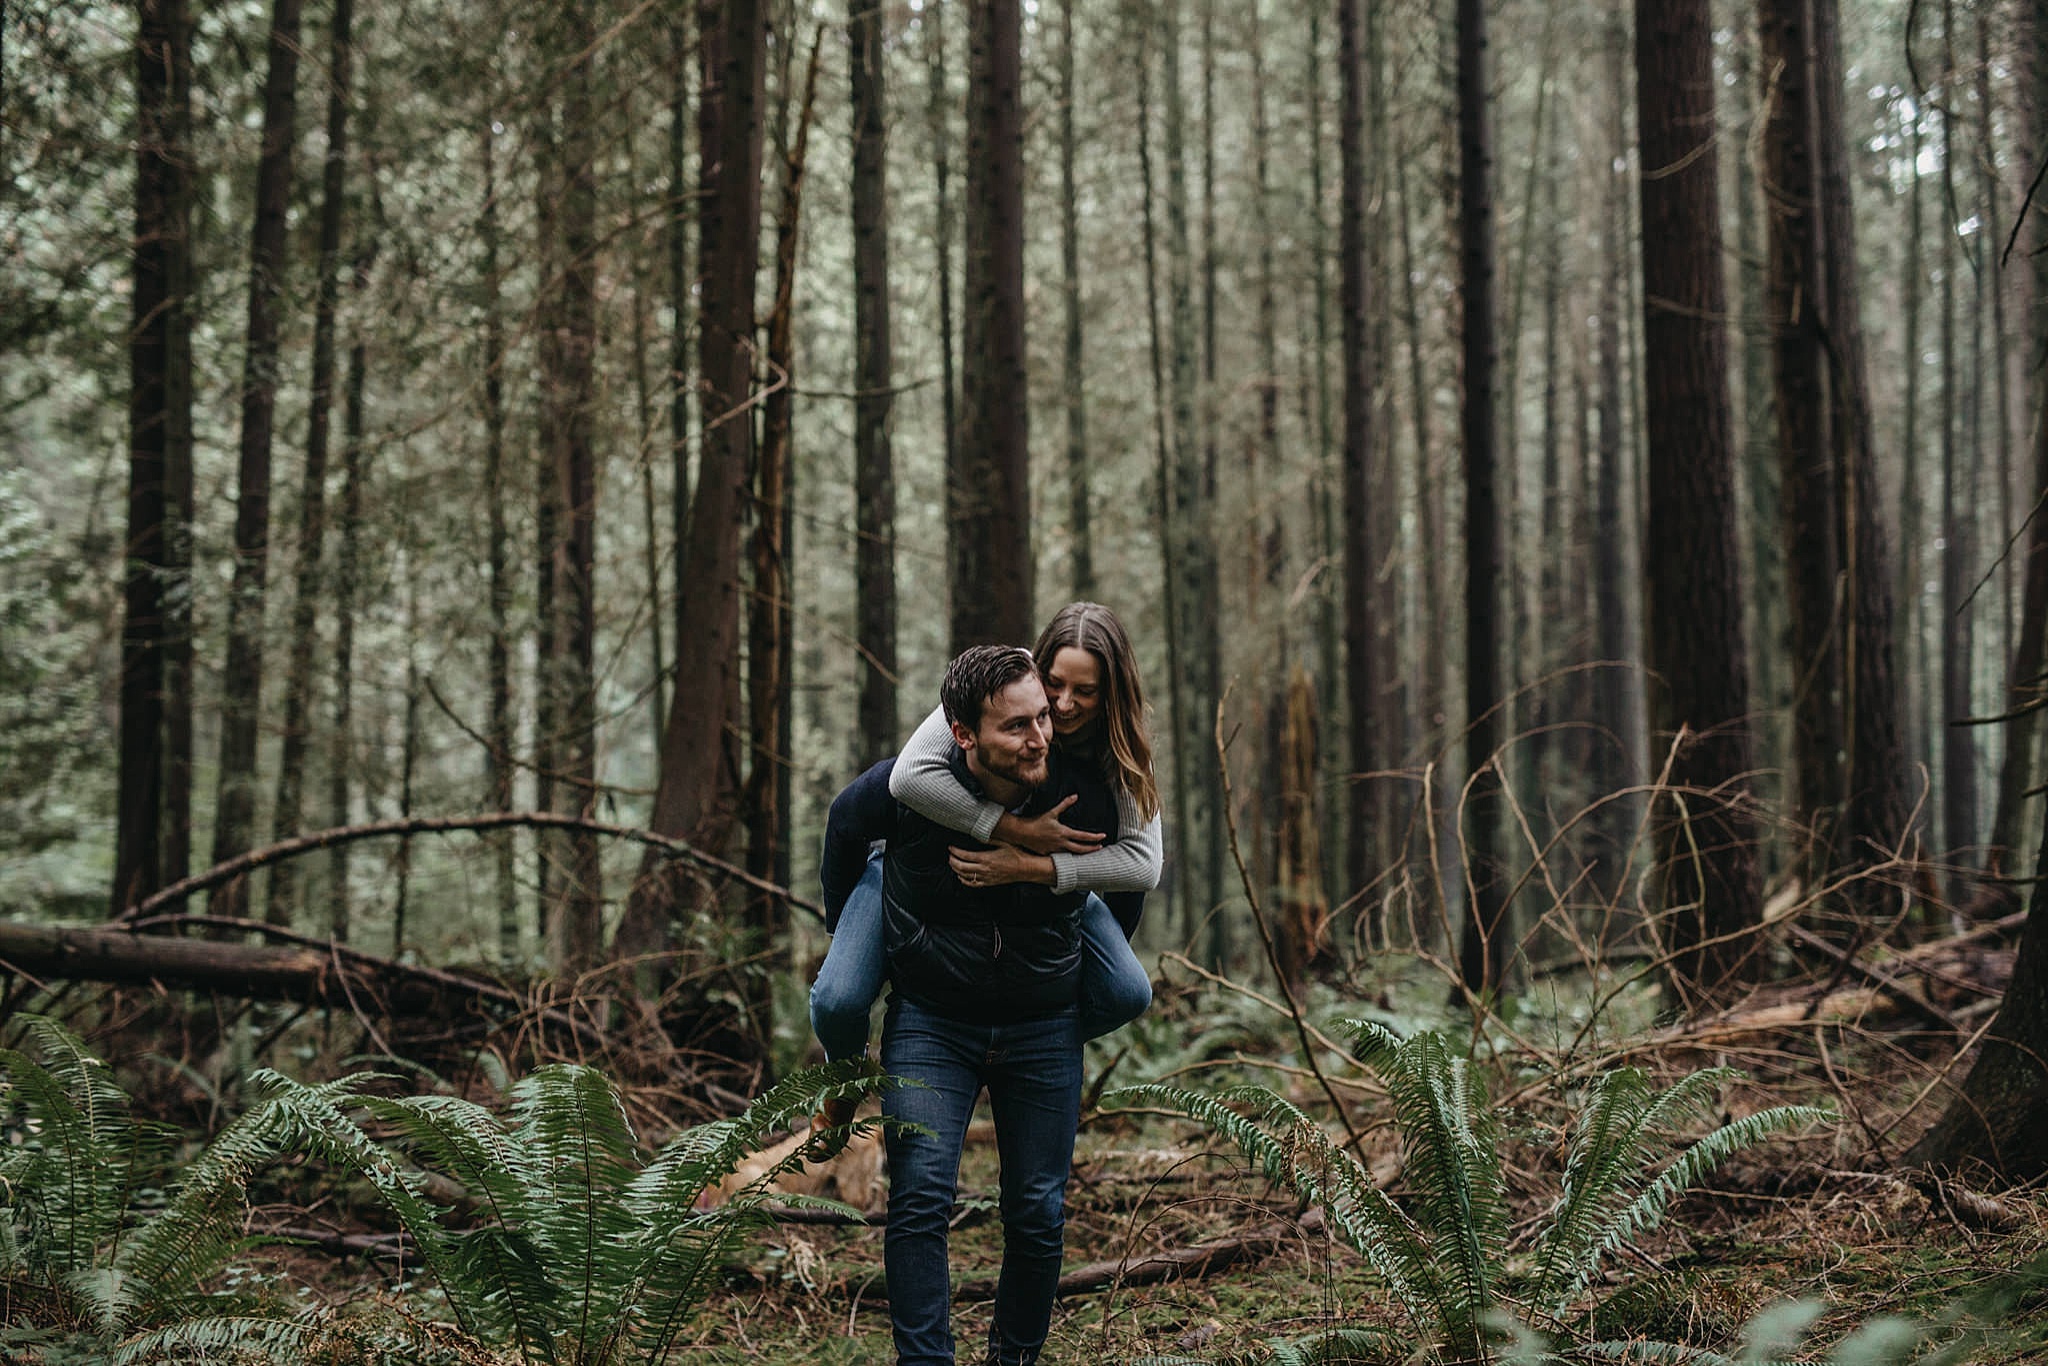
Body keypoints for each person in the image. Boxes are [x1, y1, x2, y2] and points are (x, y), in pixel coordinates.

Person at [818, 646, 1115, 1366]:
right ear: (964, 734)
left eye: (1043, 718)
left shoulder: (1078, 785)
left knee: (1038, 1214)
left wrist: (1078, 991)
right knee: (920, 1201)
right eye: (1016, 727)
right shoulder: (911, 789)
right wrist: (856, 929)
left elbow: (1125, 880)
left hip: (1044, 1026)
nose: (1040, 736)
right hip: (932, 1023)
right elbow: (843, 825)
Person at [809, 602, 1162, 1074]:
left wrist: (1035, 865)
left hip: (1060, 883)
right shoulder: (1002, 685)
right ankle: (844, 1079)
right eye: (1054, 684)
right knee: (838, 997)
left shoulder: (1121, 751)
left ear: (1112, 692)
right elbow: (907, 778)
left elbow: (1141, 866)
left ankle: (1027, 1056)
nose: (1061, 703)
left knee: (1128, 992)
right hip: (921, 867)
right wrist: (1015, 830)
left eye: (1086, 691)